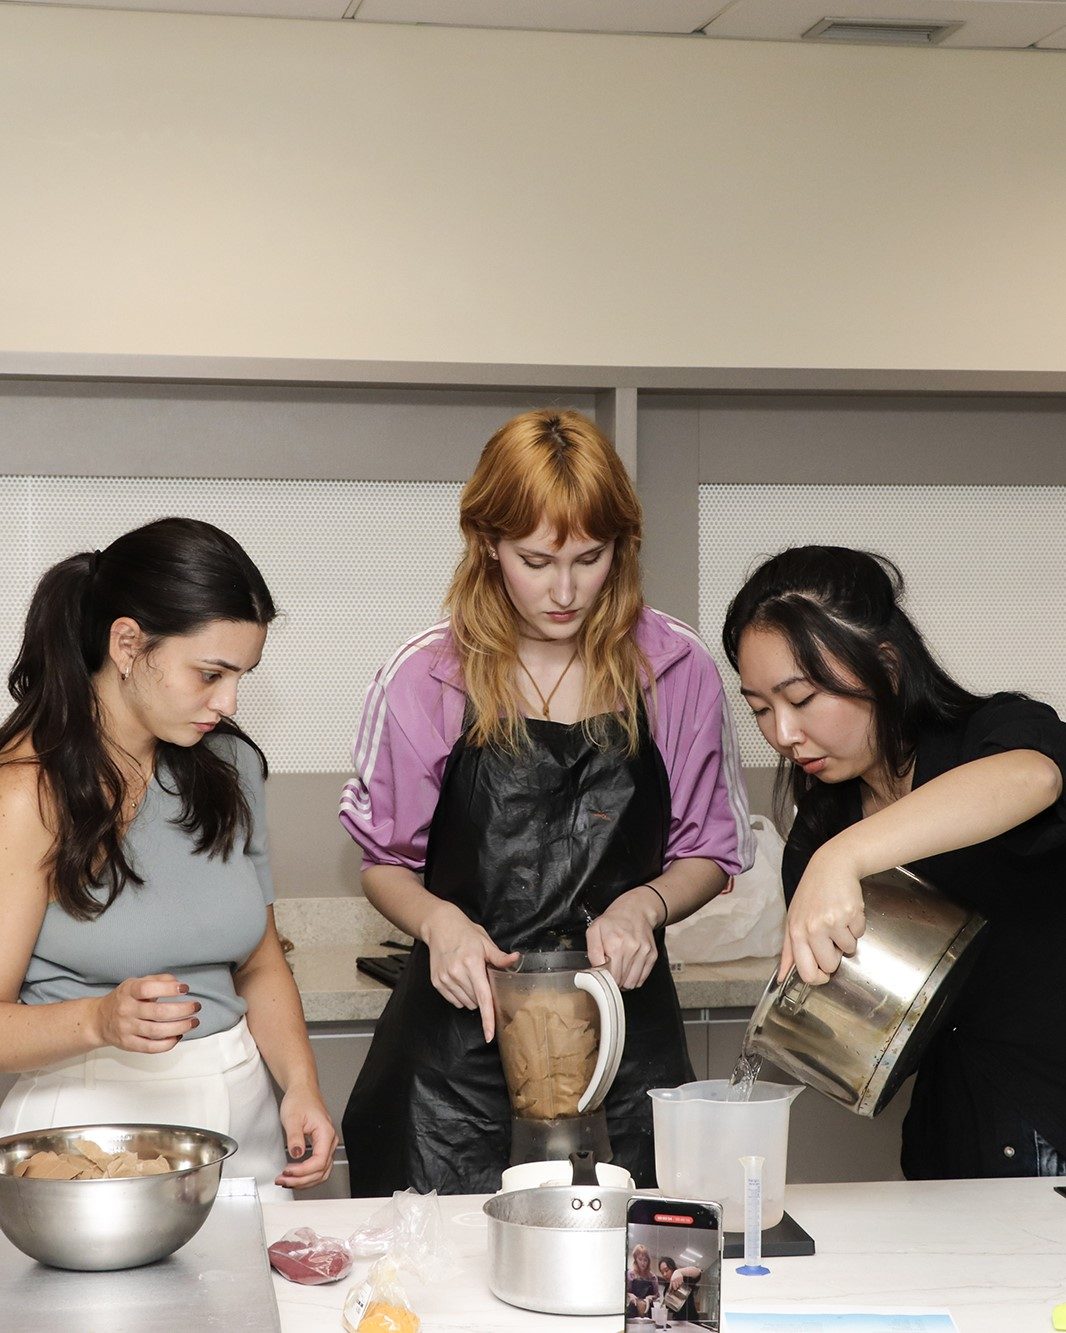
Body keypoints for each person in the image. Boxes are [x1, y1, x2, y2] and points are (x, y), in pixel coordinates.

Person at [340, 409, 754, 1194]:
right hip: (453, 1069)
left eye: (589, 558)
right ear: (487, 543)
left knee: (634, 1259)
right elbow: (384, 862)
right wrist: (441, 924)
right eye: (536, 560)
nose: (565, 591)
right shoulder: (426, 675)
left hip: (622, 1049)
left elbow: (710, 849)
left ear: (622, 547)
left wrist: (644, 905)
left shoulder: (675, 667)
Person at [0, 518, 337, 1197]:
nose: (229, 702)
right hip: (87, 1132)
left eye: (241, 676)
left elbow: (259, 962)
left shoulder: (230, 767)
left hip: (242, 1118)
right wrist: (100, 1019)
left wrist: (301, 1083)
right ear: (127, 643)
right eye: (210, 674)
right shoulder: (26, 793)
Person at [722, 543, 1066, 1181]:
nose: (783, 734)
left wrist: (846, 856)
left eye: (802, 698)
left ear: (885, 664)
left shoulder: (993, 733)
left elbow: (1034, 779)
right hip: (952, 1134)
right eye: (761, 710)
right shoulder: (822, 830)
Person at [657, 1257, 703, 1322]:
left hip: (692, 1321)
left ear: (672, 1268)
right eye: (662, 1272)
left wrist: (679, 1271)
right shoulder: (666, 1290)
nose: (664, 1274)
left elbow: (698, 1272)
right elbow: (670, 1309)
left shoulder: (683, 1278)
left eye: (666, 1270)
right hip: (677, 1322)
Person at [626, 1244, 660, 1317]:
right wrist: (630, 1295)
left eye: (645, 1260)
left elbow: (657, 1294)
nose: (643, 1263)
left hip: (648, 1309)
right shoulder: (630, 1274)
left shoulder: (653, 1277)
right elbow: (626, 1291)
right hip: (633, 1309)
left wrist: (651, 1297)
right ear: (635, 1259)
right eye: (640, 1259)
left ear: (648, 1261)